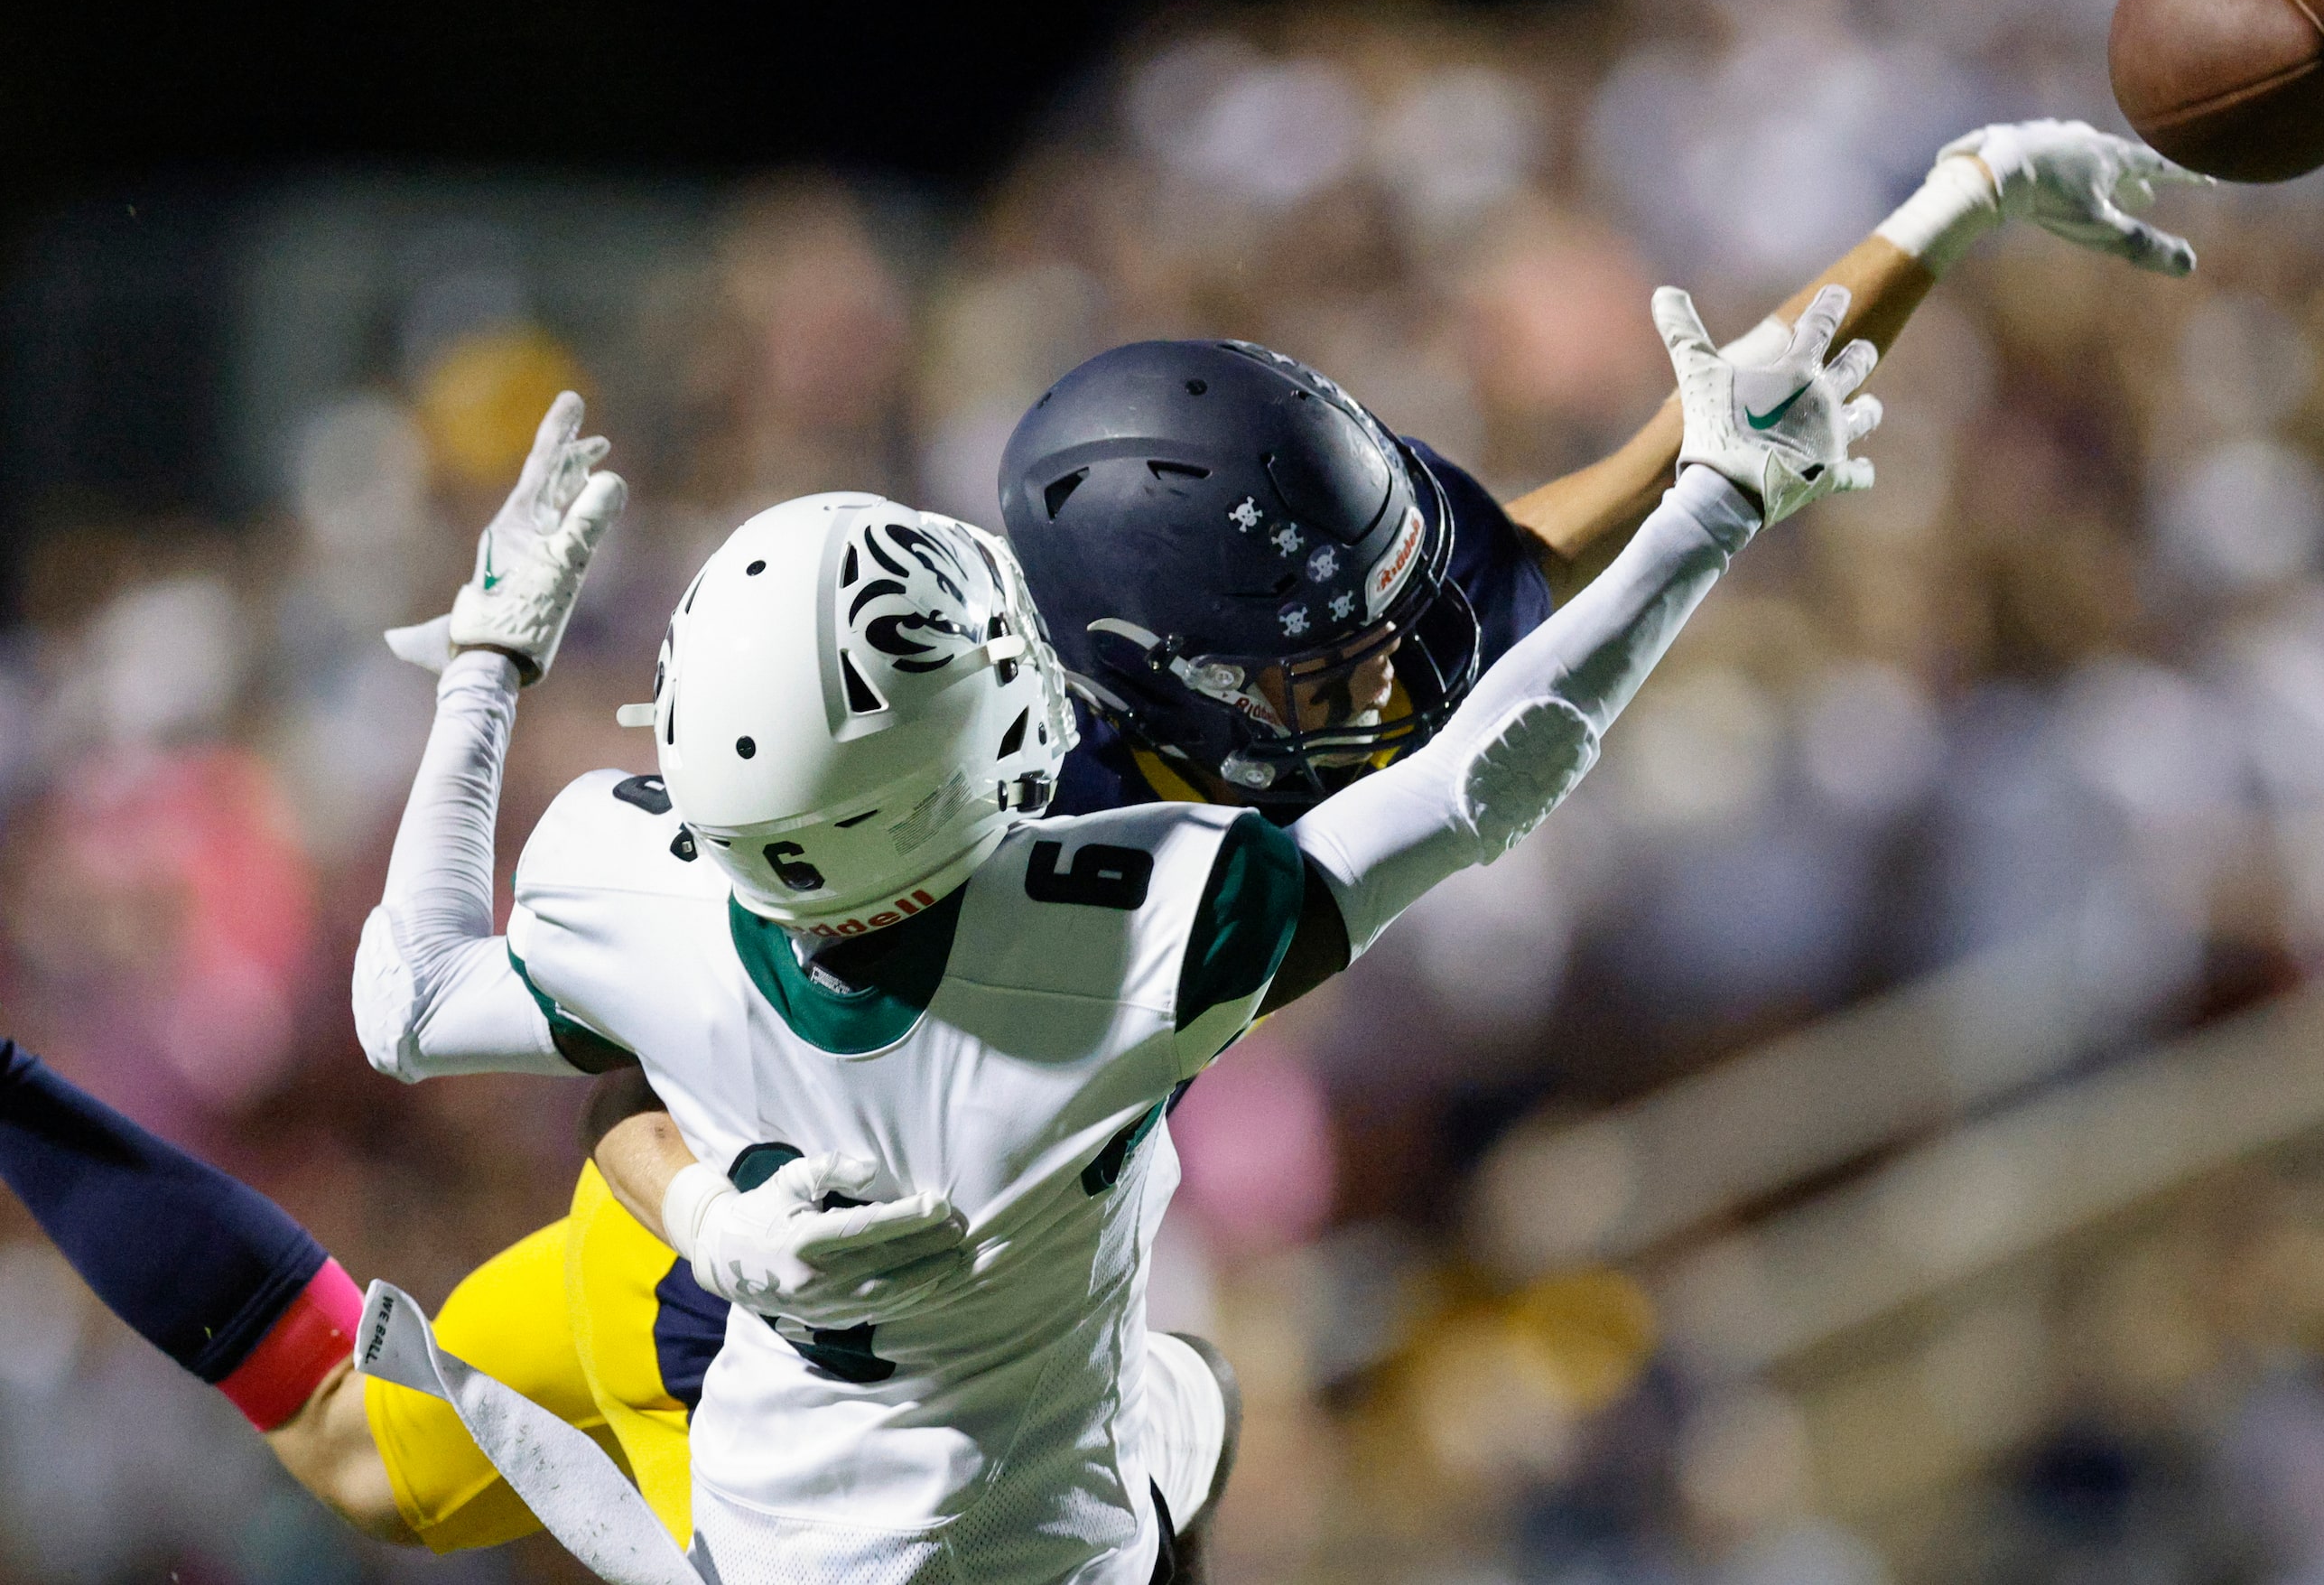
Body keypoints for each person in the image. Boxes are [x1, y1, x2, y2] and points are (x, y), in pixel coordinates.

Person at [0, 120, 2198, 1561]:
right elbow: (627, 1117)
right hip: (813, 1369)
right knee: (1164, 1437)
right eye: (1315, 670)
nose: (1380, 682)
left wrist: (1942, 214)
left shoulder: (899, 686)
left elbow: (1576, 506)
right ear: (1147, 678)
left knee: (368, 1457)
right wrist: (741, 1209)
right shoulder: (1106, 888)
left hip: (794, 1264)